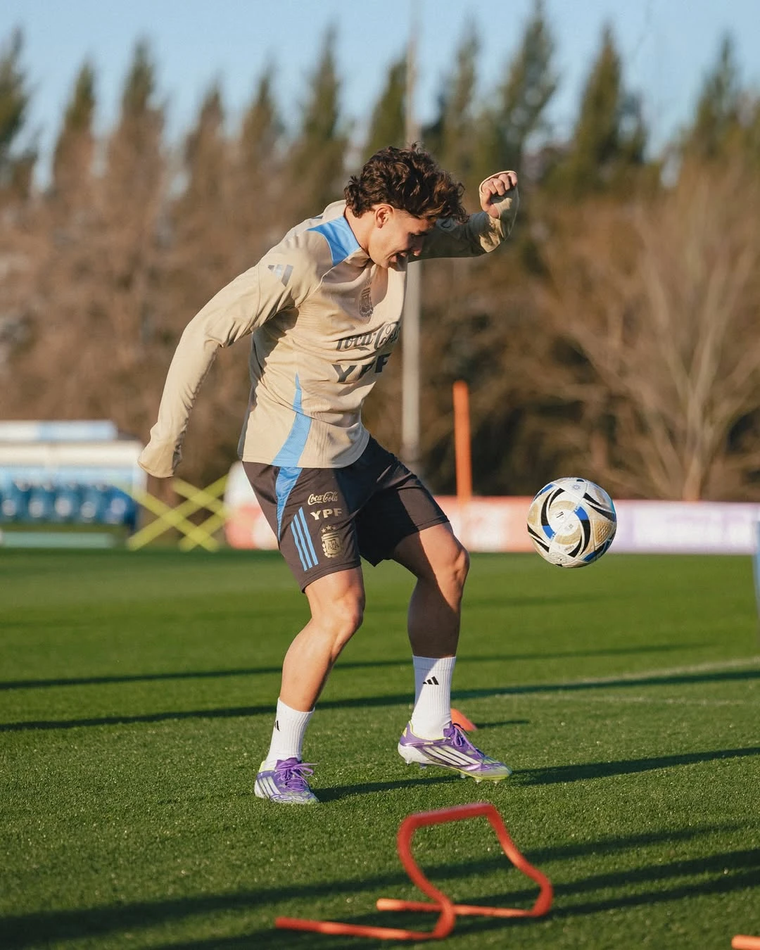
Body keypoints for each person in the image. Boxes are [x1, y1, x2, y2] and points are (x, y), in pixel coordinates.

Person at [139, 144, 519, 804]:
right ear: (377, 214)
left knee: (448, 563)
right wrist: (166, 440)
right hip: (292, 458)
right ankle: (278, 765)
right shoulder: (301, 258)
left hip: (352, 449)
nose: (421, 251)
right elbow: (204, 331)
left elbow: (477, 240)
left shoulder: (397, 239)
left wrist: (496, 212)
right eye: (413, 237)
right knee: (341, 611)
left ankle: (429, 729)